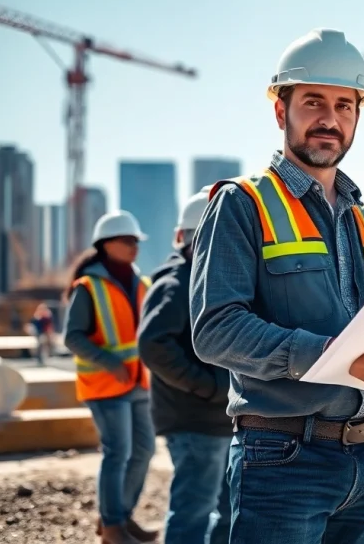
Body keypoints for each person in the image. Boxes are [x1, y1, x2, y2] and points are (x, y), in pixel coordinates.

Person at [190, 29, 364, 544]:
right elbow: (216, 330)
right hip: (284, 458)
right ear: (280, 111)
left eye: (344, 105)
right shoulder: (243, 204)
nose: (330, 119)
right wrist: (342, 359)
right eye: (313, 102)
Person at [138, 188, 231, 544]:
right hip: (196, 421)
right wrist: (208, 386)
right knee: (193, 510)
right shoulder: (178, 283)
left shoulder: (209, 282)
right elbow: (153, 344)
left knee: (228, 508)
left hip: (215, 419)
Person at [62, 210, 158, 544]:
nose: (134, 246)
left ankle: (121, 517)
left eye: (136, 241)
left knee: (143, 451)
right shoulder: (87, 287)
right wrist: (109, 361)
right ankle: (112, 524)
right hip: (105, 385)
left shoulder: (142, 283)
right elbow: (72, 337)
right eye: (127, 240)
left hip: (138, 384)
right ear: (105, 245)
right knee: (117, 452)